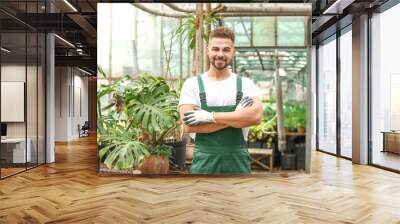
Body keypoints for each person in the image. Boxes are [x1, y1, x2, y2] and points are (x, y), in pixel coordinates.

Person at [178, 27, 263, 174]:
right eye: (215, 49)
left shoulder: (245, 84)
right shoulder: (192, 84)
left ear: (233, 52)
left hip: (237, 162)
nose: (220, 54)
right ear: (208, 50)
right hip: (204, 163)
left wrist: (209, 117)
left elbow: (255, 117)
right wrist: (237, 117)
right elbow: (189, 126)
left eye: (226, 50)